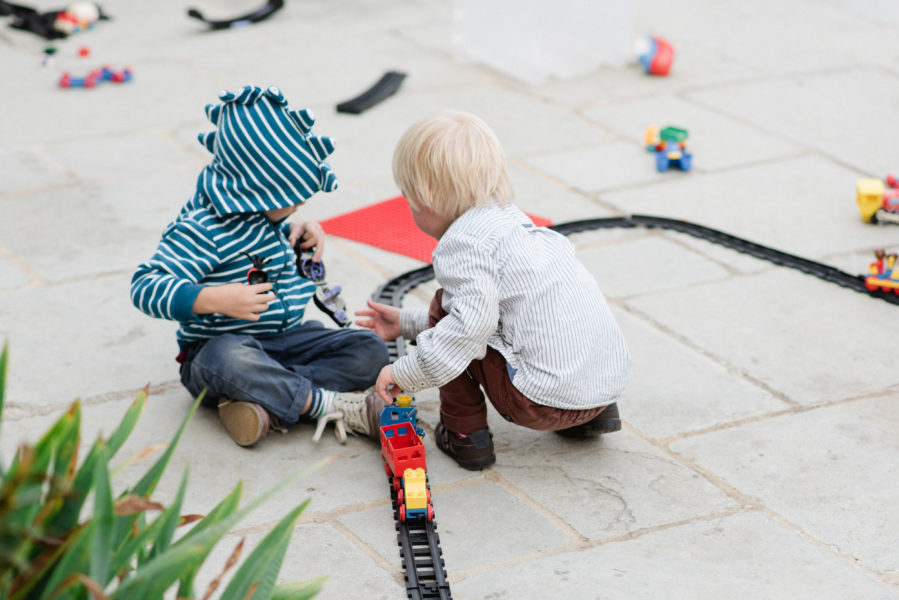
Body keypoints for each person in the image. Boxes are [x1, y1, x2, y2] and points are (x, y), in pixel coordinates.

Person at [355, 110, 631, 470]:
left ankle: (466, 435)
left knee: (448, 312)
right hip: (604, 386)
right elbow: (497, 316)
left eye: (408, 199)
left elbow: (467, 330)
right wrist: (406, 323)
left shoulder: (463, 246)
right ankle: (594, 416)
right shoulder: (517, 226)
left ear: (428, 198)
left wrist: (406, 372)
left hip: (542, 404)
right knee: (485, 315)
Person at [131, 85, 389, 448]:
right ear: (254, 191)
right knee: (231, 359)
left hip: (286, 339)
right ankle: (325, 404)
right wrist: (213, 298)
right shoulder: (200, 229)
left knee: (370, 350)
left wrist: (299, 232)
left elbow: (271, 237)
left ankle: (265, 396)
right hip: (217, 350)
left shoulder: (263, 215)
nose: (298, 204)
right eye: (290, 200)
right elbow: (145, 286)